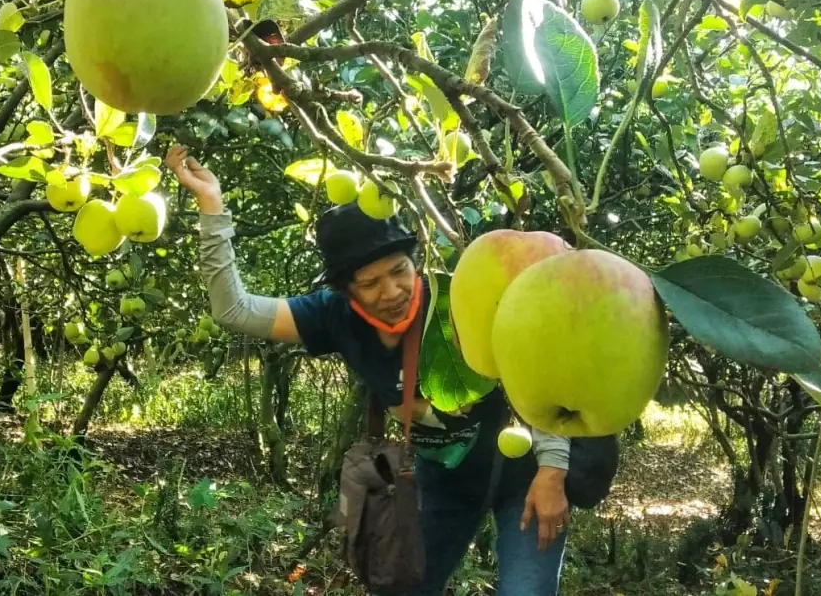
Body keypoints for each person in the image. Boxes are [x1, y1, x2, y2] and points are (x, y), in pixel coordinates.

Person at [166, 144, 573, 596]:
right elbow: (235, 310)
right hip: (443, 480)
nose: (393, 291)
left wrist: (552, 472)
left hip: (522, 474)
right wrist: (212, 206)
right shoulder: (334, 316)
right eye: (370, 283)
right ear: (347, 290)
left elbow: (534, 368)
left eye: (400, 271)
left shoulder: (458, 298)